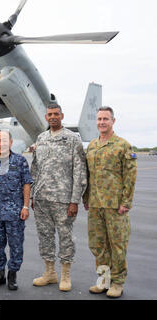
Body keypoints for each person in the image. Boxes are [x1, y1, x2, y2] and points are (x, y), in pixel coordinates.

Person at [30, 103, 87, 292]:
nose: (53, 117)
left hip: (63, 199)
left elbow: (79, 171)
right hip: (41, 199)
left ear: (62, 115)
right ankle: (49, 273)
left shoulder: (72, 139)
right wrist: (32, 195)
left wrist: (74, 200)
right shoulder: (41, 138)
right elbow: (35, 168)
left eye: (56, 114)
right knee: (45, 236)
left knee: (65, 237)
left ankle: (66, 275)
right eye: (49, 114)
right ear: (46, 117)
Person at [83, 106, 137, 298]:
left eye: (106, 119)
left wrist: (126, 202)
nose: (102, 122)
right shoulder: (92, 146)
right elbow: (88, 175)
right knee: (98, 245)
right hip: (96, 205)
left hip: (115, 206)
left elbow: (130, 177)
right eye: (99, 119)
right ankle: (103, 280)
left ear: (113, 121)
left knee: (117, 245)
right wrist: (86, 198)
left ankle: (117, 283)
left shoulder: (123, 145)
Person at [0, 130, 32, 290]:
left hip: (15, 213)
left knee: (16, 245)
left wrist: (25, 206)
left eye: (3, 140)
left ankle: (12, 275)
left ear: (10, 142)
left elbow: (26, 184)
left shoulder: (20, 161)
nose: (0, 143)